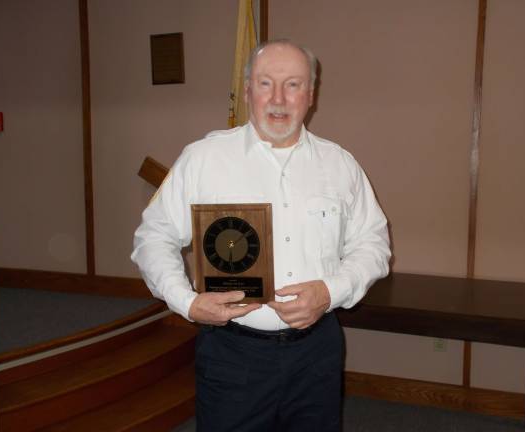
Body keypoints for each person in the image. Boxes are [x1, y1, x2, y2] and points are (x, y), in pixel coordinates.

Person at [131, 39, 391, 432]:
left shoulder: (340, 165)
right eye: (266, 83)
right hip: (233, 353)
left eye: (293, 84)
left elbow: (373, 244)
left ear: (311, 95)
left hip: (316, 354)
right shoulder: (204, 159)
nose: (279, 99)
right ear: (248, 88)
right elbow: (154, 237)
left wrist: (330, 291)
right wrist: (187, 302)